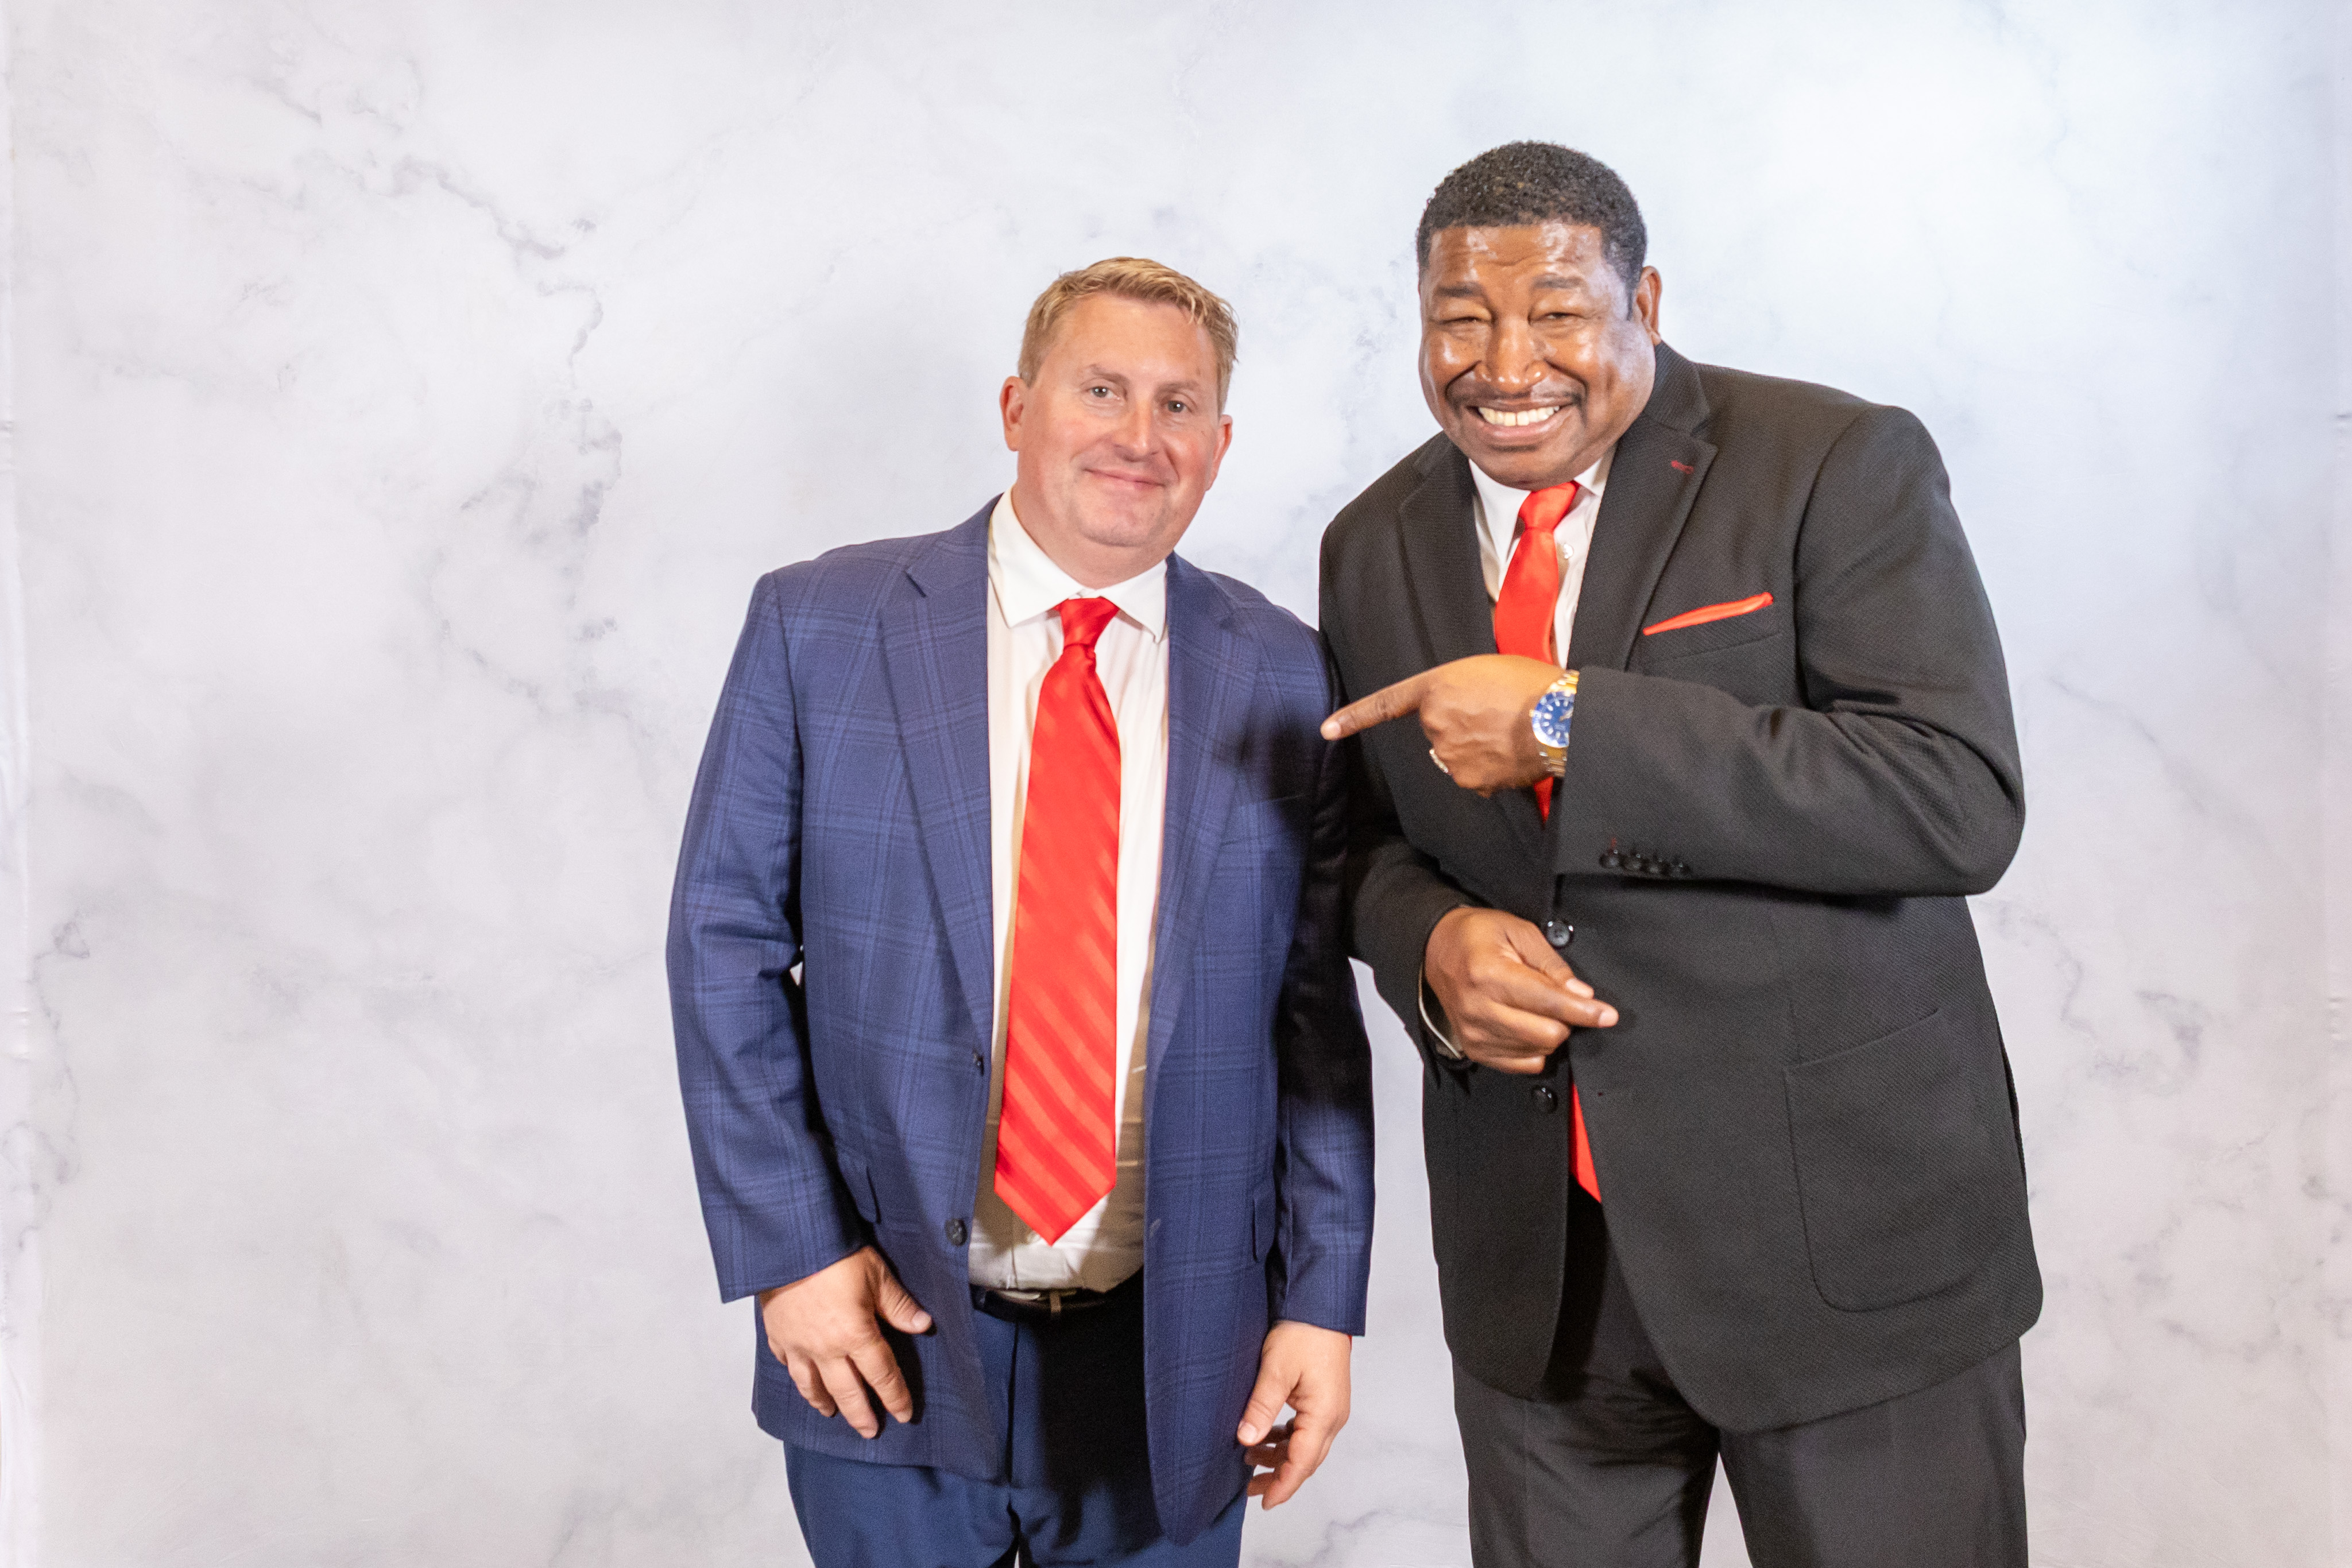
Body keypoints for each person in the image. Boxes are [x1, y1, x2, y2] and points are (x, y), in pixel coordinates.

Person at [1317, 143, 2039, 1568]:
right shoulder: (1368, 543)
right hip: (1544, 1285)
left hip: (1845, 1258)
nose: (1504, 363)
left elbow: (1952, 795)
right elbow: (1358, 842)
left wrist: (1567, 723)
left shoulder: (1831, 461)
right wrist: (1427, 945)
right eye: (1459, 319)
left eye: (1555, 312)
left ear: (1639, 303)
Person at [669, 257, 1374, 1568]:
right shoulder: (822, 624)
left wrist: (1323, 1300)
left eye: (1179, 404)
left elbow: (1313, 1017)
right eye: (1101, 390)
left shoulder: (1283, 670)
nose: (1139, 435)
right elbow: (724, 947)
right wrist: (792, 1253)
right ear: (1015, 407)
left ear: (1221, 445)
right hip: (884, 1327)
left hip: (1178, 1354)